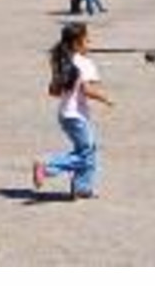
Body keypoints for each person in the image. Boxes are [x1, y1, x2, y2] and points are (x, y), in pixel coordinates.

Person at [33, 22, 113, 200]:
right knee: (86, 153)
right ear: (76, 43)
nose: (90, 43)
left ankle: (82, 187)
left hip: (65, 114)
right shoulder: (84, 63)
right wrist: (105, 99)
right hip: (76, 116)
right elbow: (87, 90)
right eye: (87, 40)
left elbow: (53, 91)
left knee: (88, 151)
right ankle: (47, 167)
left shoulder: (64, 61)